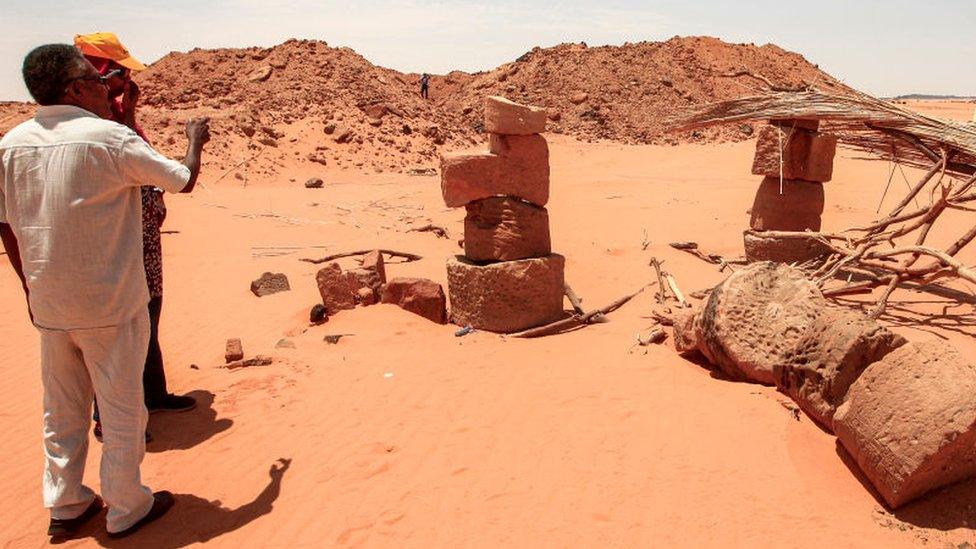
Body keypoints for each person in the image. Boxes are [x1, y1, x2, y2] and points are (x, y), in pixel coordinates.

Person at [0, 44, 210, 539]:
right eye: (96, 82)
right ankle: (126, 504)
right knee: (121, 407)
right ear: (74, 89)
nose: (104, 90)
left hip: (49, 303)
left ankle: (67, 501)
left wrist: (28, 284)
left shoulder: (12, 143)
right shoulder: (108, 139)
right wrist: (193, 139)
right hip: (109, 301)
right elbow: (182, 180)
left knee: (62, 407)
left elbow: (5, 224)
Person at [73, 32, 196, 443]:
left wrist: (129, 111)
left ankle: (153, 393)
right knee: (117, 332)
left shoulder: (115, 119)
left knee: (149, 316)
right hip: (116, 245)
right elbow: (174, 177)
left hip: (142, 239)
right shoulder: (91, 127)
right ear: (101, 76)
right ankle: (112, 419)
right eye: (121, 75)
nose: (128, 82)